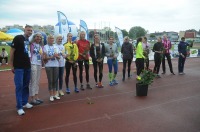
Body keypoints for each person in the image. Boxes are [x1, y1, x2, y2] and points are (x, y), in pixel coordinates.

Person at [10, 25, 33, 116]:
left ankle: (24, 102)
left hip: (27, 66)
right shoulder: (18, 38)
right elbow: (12, 51)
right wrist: (11, 64)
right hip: (19, 67)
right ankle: (19, 107)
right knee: (19, 86)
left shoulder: (27, 41)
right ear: (24, 30)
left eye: (31, 30)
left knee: (26, 85)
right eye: (28, 30)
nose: (30, 32)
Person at [43, 35, 60, 102]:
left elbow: (59, 57)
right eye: (50, 38)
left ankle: (55, 94)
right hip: (48, 65)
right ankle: (51, 95)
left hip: (56, 65)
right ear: (47, 39)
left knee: (55, 80)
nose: (52, 40)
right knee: (50, 80)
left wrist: (57, 56)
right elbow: (45, 58)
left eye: (53, 38)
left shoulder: (56, 47)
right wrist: (52, 56)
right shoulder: (45, 47)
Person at [29, 33, 44, 105]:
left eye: (40, 37)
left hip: (39, 64)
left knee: (37, 81)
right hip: (32, 63)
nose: (39, 38)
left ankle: (36, 96)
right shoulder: (31, 44)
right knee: (33, 81)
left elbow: (41, 55)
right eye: (37, 37)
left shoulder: (41, 46)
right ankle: (32, 98)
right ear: (34, 37)